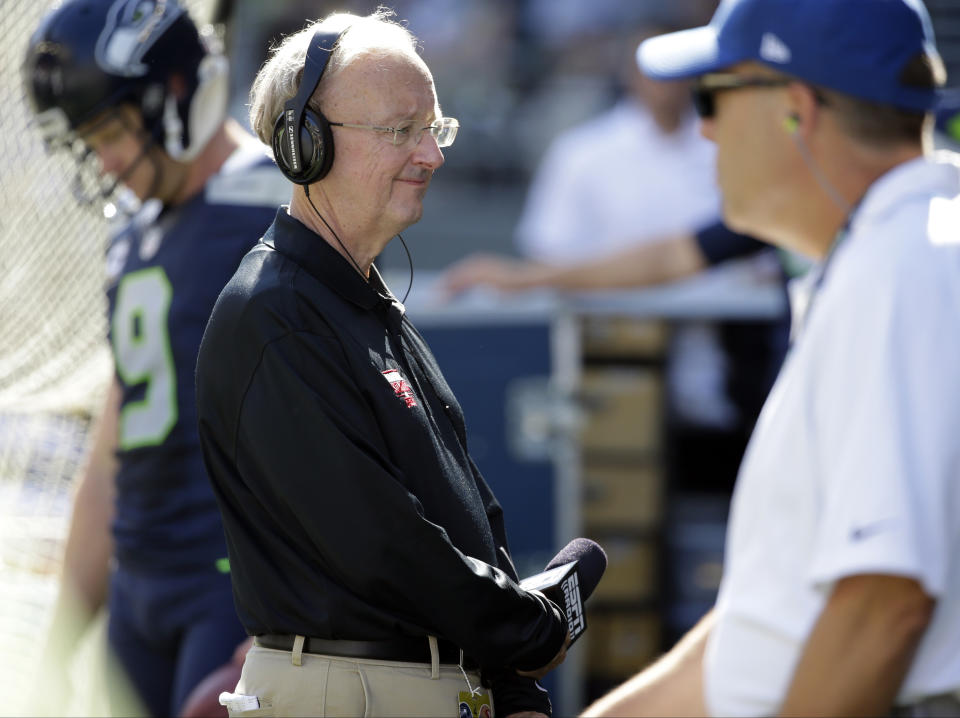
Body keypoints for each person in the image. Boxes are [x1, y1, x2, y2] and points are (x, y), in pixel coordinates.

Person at [583, 0, 960, 715]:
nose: (703, 128)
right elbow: (770, 624)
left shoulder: (903, 266)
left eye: (714, 94)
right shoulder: (892, 255)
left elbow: (883, 609)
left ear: (795, 108)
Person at [195, 10, 569, 718]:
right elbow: (382, 546)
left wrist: (515, 687)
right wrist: (530, 628)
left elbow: (464, 517)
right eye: (402, 131)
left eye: (435, 129)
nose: (432, 155)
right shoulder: (273, 315)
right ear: (304, 144)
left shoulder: (355, 305)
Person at [22, 0, 288, 715]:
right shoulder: (133, 237)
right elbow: (113, 443)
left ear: (176, 90)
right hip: (138, 585)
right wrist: (63, 634)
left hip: (233, 586)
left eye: (111, 131)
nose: (105, 161)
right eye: (89, 139)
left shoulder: (282, 199)